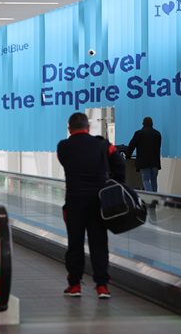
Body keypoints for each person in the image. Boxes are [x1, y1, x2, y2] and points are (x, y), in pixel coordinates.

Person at [56, 112, 125, 299]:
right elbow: (119, 162)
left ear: (69, 129)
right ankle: (102, 286)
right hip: (98, 203)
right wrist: (114, 182)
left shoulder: (63, 147)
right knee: (99, 244)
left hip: (74, 203)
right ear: (88, 127)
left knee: (75, 244)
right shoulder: (102, 145)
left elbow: (66, 162)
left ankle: (75, 285)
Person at [126, 116, 162, 192]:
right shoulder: (157, 134)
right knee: (154, 180)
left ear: (143, 123)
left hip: (144, 161)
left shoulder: (139, 133)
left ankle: (150, 198)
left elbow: (131, 145)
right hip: (155, 162)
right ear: (152, 124)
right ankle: (155, 198)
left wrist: (128, 156)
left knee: (146, 180)